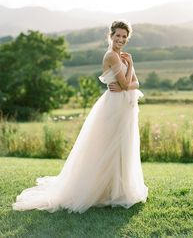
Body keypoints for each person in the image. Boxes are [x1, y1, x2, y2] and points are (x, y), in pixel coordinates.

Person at [12, 20, 148, 214]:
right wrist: (129, 79)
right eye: (117, 35)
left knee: (122, 147)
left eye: (124, 36)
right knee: (108, 147)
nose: (121, 39)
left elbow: (134, 82)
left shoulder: (124, 57)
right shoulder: (112, 56)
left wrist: (131, 69)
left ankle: (117, 190)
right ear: (110, 36)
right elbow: (127, 84)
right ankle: (101, 190)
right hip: (115, 106)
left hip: (126, 107)